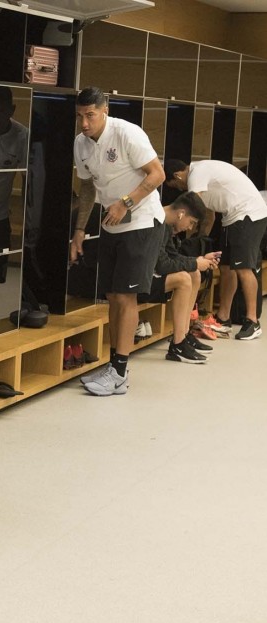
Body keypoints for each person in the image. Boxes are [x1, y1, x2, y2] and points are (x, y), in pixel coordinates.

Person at [71, 87, 166, 396]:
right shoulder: (81, 144)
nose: (84, 123)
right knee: (113, 296)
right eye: (80, 116)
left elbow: (157, 174)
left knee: (126, 298)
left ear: (105, 110)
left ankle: (121, 373)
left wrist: (125, 202)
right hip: (111, 223)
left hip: (140, 222)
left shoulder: (127, 133)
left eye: (90, 115)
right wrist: (79, 231)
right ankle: (114, 364)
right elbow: (87, 189)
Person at [164, 158, 267, 340]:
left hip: (247, 215)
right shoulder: (202, 176)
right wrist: (199, 240)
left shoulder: (197, 174)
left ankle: (253, 321)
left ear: (178, 175)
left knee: (243, 268)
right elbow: (208, 215)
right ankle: (223, 318)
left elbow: (192, 208)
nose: (179, 189)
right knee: (227, 268)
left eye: (176, 185)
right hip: (232, 217)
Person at [141, 192, 219, 363]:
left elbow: (172, 256)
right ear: (181, 213)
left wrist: (198, 262)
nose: (190, 228)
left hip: (149, 276)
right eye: (191, 222)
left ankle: (184, 334)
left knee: (194, 274)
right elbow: (162, 265)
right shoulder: (156, 222)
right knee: (184, 278)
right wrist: (194, 263)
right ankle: (177, 344)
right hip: (138, 281)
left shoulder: (166, 224)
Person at [0, 86, 29, 324]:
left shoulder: (22, 137)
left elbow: (28, 179)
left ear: (12, 110)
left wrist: (31, 219)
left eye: (0, 113)